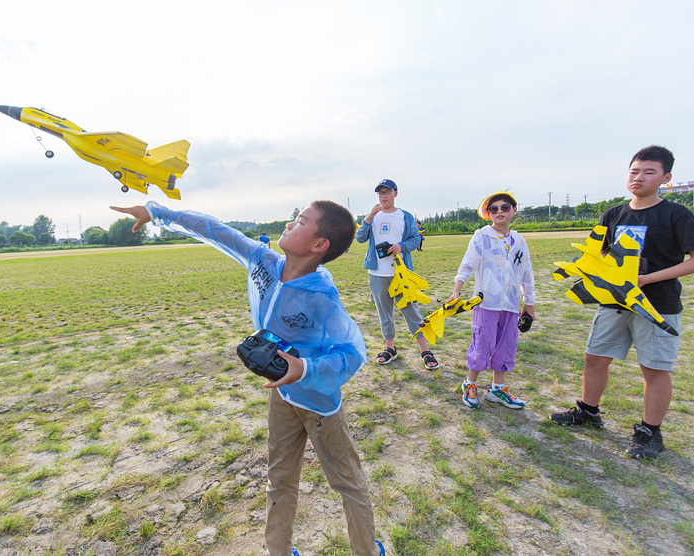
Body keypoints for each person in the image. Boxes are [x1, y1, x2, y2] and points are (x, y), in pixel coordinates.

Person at [111, 201, 385, 556]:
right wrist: (157, 213)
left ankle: (366, 550)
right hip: (281, 398)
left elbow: (352, 352)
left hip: (319, 405)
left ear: (319, 245)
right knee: (279, 478)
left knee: (347, 482)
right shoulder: (263, 262)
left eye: (300, 221)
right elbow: (214, 229)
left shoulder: (322, 298)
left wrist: (305, 369)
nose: (289, 223)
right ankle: (279, 551)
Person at [549, 145, 694, 459]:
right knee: (595, 357)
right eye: (634, 171)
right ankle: (588, 412)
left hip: (656, 305)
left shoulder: (676, 214)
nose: (639, 177)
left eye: (649, 172)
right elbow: (598, 253)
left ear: (666, 178)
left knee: (653, 368)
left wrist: (647, 279)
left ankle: (650, 432)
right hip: (612, 302)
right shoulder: (614, 214)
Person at [449, 191, 535, 410]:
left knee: (506, 347)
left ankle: (497, 389)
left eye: (505, 207)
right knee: (482, 345)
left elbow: (526, 273)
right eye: (493, 209)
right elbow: (468, 264)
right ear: (488, 214)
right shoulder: (482, 236)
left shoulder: (519, 241)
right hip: (486, 304)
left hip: (511, 305)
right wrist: (456, 291)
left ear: (514, 211)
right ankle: (470, 384)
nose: (499, 212)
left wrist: (529, 303)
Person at [356, 179, 439, 369]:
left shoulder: (405, 216)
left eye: (387, 192)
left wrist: (401, 246)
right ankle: (390, 348)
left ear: (395, 193)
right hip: (377, 273)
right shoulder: (373, 217)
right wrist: (368, 218)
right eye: (380, 193)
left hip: (401, 273)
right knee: (384, 312)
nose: (383, 196)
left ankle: (425, 350)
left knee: (411, 310)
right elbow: (360, 238)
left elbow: (416, 239)